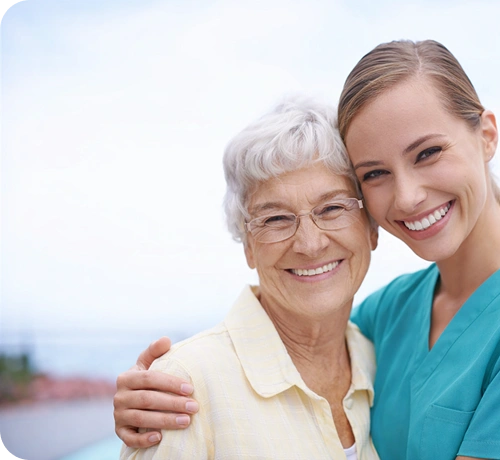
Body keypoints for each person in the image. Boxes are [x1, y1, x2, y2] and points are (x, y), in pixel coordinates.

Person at [114, 40, 500, 460]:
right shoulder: (387, 315)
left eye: (428, 153)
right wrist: (159, 392)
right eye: (375, 174)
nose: (406, 196)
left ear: (487, 135)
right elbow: (289, 357)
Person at [119, 97, 380, 459]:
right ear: (248, 247)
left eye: (333, 208)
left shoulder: (379, 359)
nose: (309, 243)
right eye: (275, 219)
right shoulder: (186, 385)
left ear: (372, 228)